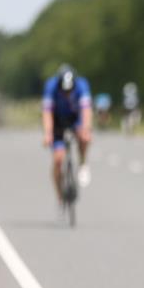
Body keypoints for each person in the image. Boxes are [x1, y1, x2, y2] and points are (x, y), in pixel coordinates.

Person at [42, 65, 93, 213]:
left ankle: (83, 163)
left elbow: (86, 110)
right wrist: (48, 133)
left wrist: (86, 129)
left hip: (75, 119)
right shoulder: (51, 87)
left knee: (84, 137)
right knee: (58, 160)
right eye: (64, 91)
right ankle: (59, 195)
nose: (67, 94)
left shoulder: (82, 85)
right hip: (57, 121)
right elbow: (47, 112)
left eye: (69, 91)